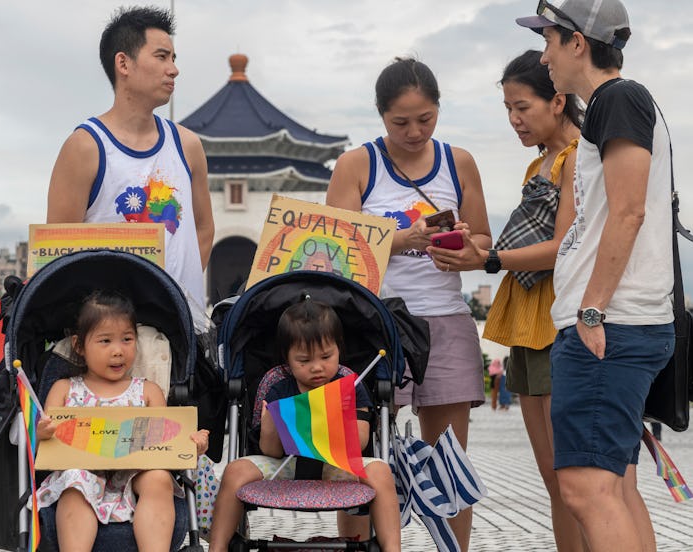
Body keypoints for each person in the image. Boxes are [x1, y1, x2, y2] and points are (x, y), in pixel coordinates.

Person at [516, 2, 675, 551]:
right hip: (620, 323)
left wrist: (591, 309)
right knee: (616, 488)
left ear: (578, 42)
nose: (544, 55)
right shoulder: (615, 104)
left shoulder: (618, 98)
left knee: (586, 490)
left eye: (550, 41)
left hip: (610, 325)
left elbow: (630, 211)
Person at [326, 56, 490, 551]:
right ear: (380, 116)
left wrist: (462, 244)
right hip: (375, 324)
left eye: (426, 119)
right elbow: (333, 249)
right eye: (401, 122)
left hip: (445, 320)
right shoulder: (357, 164)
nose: (415, 131)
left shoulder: (458, 161)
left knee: (449, 456)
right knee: (358, 453)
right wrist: (406, 239)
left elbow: (483, 239)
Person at [427, 49, 585, 550]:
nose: (515, 120)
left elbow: (564, 247)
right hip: (530, 322)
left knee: (575, 480)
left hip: (560, 320)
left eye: (523, 107)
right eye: (508, 110)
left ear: (557, 100)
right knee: (555, 479)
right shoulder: (540, 163)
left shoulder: (579, 157)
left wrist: (488, 261)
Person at [45, 6, 214, 309]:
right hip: (111, 342)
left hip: (183, 333)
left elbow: (204, 228)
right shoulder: (85, 147)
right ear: (123, 63)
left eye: (174, 59)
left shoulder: (187, 145)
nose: (173, 69)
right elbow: (56, 254)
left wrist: (172, 294)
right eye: (162, 57)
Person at [208, 300, 401, 552]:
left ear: (338, 350)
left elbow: (360, 442)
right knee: (234, 471)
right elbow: (271, 451)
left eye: (326, 356)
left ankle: (392, 548)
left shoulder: (350, 386)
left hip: (336, 463)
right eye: (304, 360)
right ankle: (218, 547)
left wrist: (329, 418)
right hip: (287, 464)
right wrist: (271, 424)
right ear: (287, 359)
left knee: (382, 472)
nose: (317, 367)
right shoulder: (279, 388)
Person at [35, 290, 209, 552]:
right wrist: (42, 433)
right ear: (79, 346)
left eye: (127, 339)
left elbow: (165, 444)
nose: (118, 351)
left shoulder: (148, 391)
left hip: (134, 475)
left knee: (159, 477)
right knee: (75, 481)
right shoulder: (63, 389)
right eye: (105, 341)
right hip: (80, 472)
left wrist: (190, 446)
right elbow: (48, 447)